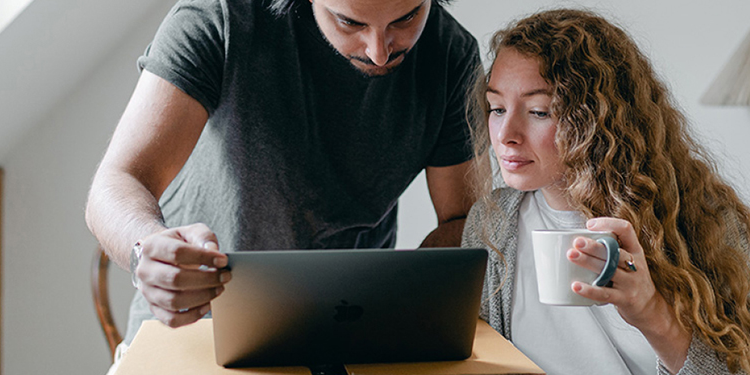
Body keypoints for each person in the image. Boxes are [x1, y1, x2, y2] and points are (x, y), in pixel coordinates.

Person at [84, 0, 480, 354]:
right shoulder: (220, 18)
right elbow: (117, 181)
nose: (379, 52)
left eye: (407, 17)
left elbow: (465, 220)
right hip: (194, 336)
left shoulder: (452, 54)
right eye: (349, 22)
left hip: (348, 340)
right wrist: (145, 250)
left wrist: (413, 296)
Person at [460, 9, 750, 375]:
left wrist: (651, 312)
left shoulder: (696, 220)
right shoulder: (491, 221)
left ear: (594, 119)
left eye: (539, 111)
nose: (505, 133)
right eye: (496, 107)